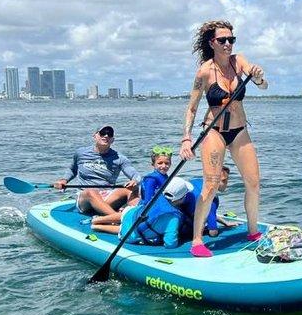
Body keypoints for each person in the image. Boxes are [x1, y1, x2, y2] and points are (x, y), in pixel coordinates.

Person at [179, 20, 267, 257]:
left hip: (239, 130)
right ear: (212, 43)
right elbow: (192, 108)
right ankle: (197, 240)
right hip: (214, 131)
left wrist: (258, 77)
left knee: (254, 182)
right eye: (222, 40)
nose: (228, 44)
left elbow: (263, 85)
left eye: (231, 39)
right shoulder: (205, 71)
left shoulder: (239, 61)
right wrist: (186, 139)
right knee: (210, 185)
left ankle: (252, 231)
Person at [54, 125, 141, 230]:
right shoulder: (80, 153)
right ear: (95, 136)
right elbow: (72, 170)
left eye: (109, 134)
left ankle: (137, 215)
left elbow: (135, 175)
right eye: (102, 133)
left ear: (113, 140)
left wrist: (134, 181)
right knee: (91, 191)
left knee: (130, 190)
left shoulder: (120, 158)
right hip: (85, 199)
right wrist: (64, 180)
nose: (106, 136)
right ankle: (118, 219)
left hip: (107, 196)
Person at [94, 145, 173, 234]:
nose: (164, 166)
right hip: (144, 206)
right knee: (126, 218)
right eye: (160, 163)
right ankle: (97, 221)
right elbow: (148, 200)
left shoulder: (165, 176)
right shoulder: (151, 179)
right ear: (153, 165)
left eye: (167, 163)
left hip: (156, 206)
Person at [164, 171, 240, 257]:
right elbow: (211, 227)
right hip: (196, 199)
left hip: (201, 202)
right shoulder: (184, 189)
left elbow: (212, 228)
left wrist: (224, 223)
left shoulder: (205, 200)